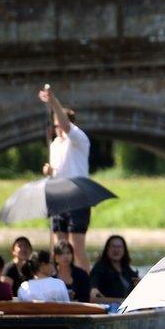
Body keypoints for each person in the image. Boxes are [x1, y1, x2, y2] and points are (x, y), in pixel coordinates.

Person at [38, 86, 92, 271]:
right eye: (55, 125)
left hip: (77, 196)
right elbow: (59, 170)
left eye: (60, 124)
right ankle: (61, 283)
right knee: (59, 248)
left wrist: (52, 101)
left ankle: (85, 285)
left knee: (76, 249)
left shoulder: (78, 139)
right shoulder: (54, 145)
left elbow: (67, 125)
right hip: (58, 197)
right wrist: (49, 171)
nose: (58, 128)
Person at [89, 235, 140, 300]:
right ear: (107, 249)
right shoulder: (100, 267)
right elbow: (94, 280)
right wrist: (93, 288)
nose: (116, 250)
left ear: (124, 250)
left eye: (119, 247)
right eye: (113, 246)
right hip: (109, 306)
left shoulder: (126, 268)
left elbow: (136, 280)